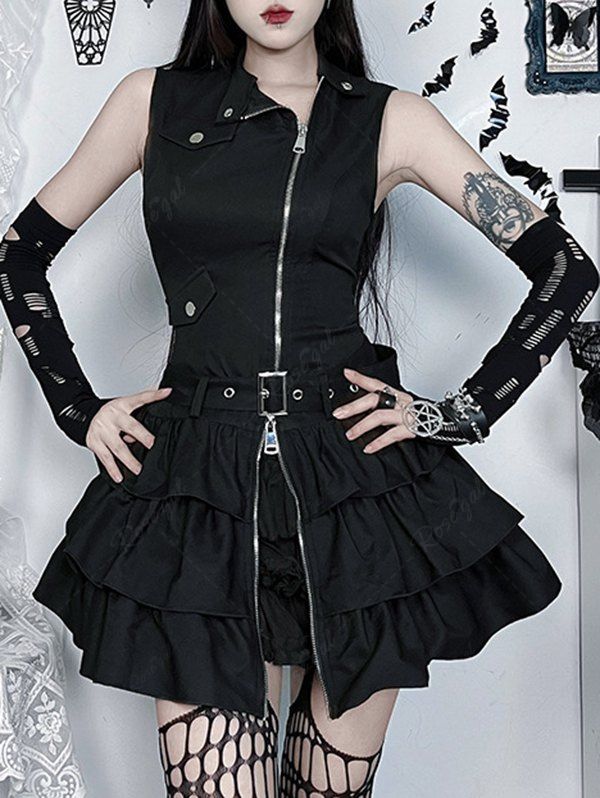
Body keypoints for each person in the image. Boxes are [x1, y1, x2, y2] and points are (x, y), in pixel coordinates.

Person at [1, 1, 597, 795]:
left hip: (358, 489)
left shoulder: (393, 120)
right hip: (197, 482)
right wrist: (78, 407)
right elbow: (19, 256)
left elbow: (565, 267)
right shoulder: (152, 102)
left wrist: (462, 411)